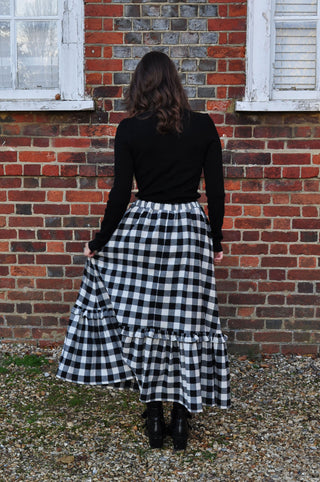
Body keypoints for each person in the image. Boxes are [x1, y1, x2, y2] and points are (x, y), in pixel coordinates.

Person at [57, 51, 230, 451]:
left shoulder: (129, 130)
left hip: (143, 232)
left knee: (147, 320)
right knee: (187, 322)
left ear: (140, 86)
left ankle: (154, 416)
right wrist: (215, 239)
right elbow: (217, 193)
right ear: (175, 83)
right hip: (188, 231)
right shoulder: (204, 126)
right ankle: (181, 420)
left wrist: (99, 243)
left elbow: (120, 194)